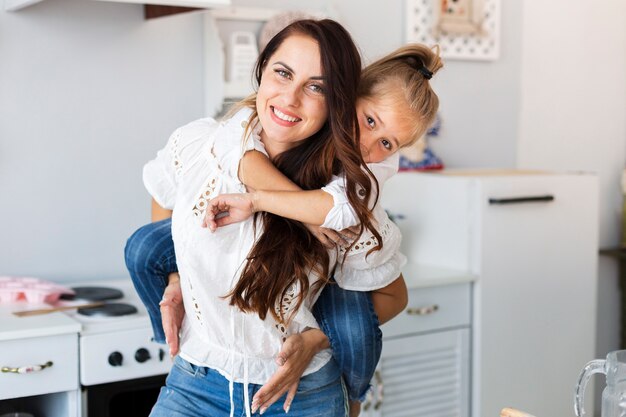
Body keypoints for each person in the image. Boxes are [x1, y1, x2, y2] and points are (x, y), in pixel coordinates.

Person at [126, 41, 443, 417]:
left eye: (386, 144)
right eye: (369, 121)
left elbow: (392, 292)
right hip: (196, 380)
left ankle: (354, 396)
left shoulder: (359, 193)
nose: (367, 144)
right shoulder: (220, 142)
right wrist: (178, 280)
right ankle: (170, 342)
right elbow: (210, 165)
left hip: (300, 392)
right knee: (143, 248)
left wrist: (317, 339)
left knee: (353, 328)